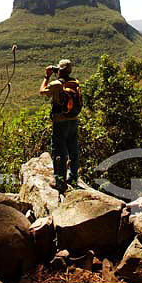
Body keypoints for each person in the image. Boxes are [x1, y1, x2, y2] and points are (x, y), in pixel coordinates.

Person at [39, 59, 80, 192]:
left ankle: (59, 181)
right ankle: (73, 177)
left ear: (60, 71)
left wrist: (47, 76)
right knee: (73, 149)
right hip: (74, 120)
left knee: (59, 151)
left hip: (60, 122)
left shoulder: (56, 84)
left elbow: (42, 91)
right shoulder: (75, 82)